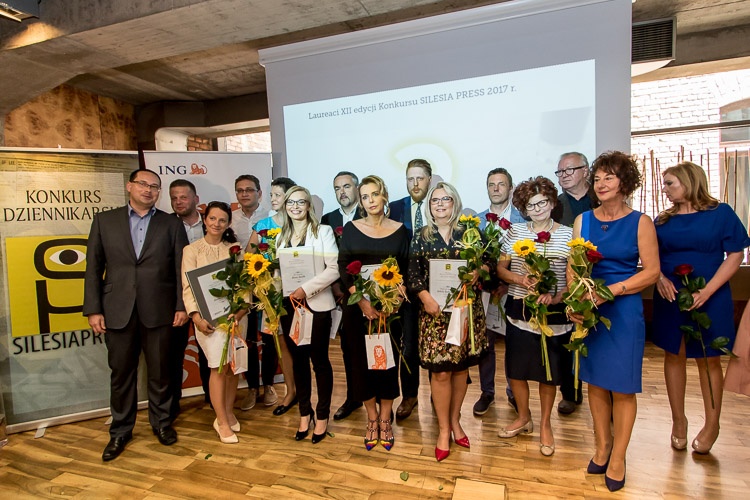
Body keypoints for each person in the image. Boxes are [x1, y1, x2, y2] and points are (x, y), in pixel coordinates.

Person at [83, 168, 189, 461]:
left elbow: (181, 269)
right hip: (117, 310)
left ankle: (162, 423)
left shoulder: (171, 224)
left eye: (155, 186)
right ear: (129, 186)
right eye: (143, 184)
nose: (149, 190)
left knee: (161, 372)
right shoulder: (105, 221)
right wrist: (93, 309)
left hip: (160, 310)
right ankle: (120, 431)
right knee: (121, 374)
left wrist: (181, 305)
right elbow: (93, 267)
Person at [570, 151, 659, 492]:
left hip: (623, 311)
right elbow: (575, 268)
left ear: (625, 183)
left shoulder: (641, 222)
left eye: (609, 177)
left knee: (622, 386)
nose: (601, 183)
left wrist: (612, 291)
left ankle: (619, 457)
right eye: (597, 178)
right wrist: (576, 302)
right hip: (590, 309)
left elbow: (651, 272)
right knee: (595, 383)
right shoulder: (583, 220)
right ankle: (603, 446)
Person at [652, 161, 750, 454]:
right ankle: (678, 421)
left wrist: (708, 290)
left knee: (709, 359)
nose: (665, 189)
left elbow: (736, 254)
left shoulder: (721, 213)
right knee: (674, 354)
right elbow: (649, 255)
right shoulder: (662, 220)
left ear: (689, 181)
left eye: (670, 183)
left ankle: (712, 424)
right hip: (670, 295)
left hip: (712, 294)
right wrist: (659, 278)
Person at [408, 182, 488, 462]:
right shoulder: (421, 236)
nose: (440, 204)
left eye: (446, 199)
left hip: (464, 311)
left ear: (455, 203)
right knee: (441, 373)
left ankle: (455, 421)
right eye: (435, 200)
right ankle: (443, 429)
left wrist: (478, 271)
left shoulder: (470, 232)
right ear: (429, 207)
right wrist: (425, 297)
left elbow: (489, 263)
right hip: (433, 314)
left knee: (460, 370)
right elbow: (413, 274)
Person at [495, 176, 573, 457]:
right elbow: (501, 269)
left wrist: (556, 297)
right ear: (523, 208)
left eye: (542, 203)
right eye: (531, 205)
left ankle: (545, 424)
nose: (537, 209)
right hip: (520, 308)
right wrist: (520, 279)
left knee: (547, 373)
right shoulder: (514, 232)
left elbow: (573, 278)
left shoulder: (568, 234)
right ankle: (523, 417)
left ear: (552, 203)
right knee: (517, 369)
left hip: (553, 311)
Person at [339, 175, 410, 450]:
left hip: (390, 312)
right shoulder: (351, 229)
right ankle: (371, 418)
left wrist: (396, 300)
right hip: (359, 311)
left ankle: (385, 418)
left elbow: (406, 269)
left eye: (374, 194)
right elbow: (344, 267)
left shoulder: (401, 231)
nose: (370, 201)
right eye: (365, 197)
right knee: (361, 364)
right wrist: (362, 303)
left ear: (384, 196)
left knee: (388, 364)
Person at [277, 186, 339, 443]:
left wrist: (306, 289)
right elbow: (280, 272)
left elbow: (333, 269)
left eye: (300, 202)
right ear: (285, 206)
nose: (295, 207)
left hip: (317, 305)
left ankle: (322, 415)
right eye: (291, 202)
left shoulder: (323, 232)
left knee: (320, 362)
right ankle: (305, 413)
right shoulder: (281, 237)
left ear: (308, 206)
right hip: (290, 307)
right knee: (299, 362)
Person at [181, 201, 246, 444]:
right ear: (205, 220)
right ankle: (221, 421)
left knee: (232, 368)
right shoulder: (192, 250)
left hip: (235, 318)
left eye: (222, 220)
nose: (216, 224)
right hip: (208, 322)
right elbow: (188, 287)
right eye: (212, 219)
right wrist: (196, 317)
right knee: (218, 367)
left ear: (228, 223)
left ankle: (228, 412)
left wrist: (240, 313)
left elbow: (244, 285)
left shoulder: (235, 250)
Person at [474, 167, 526, 417]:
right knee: (486, 344)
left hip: (514, 290)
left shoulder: (523, 220)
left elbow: (526, 258)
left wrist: (508, 283)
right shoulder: (476, 221)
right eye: (491, 184)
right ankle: (487, 392)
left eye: (501, 184)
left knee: (514, 344)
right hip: (485, 292)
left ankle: (514, 392)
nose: (496, 189)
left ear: (510, 188)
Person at [247, 176, 298, 415]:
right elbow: (249, 257)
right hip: (271, 294)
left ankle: (303, 388)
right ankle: (290, 390)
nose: (273, 199)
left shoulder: (301, 224)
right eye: (271, 195)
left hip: (298, 294)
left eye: (278, 195)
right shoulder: (262, 225)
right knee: (280, 343)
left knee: (299, 342)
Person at [387, 159, 431, 419]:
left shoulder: (439, 204)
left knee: (437, 343)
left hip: (434, 289)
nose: (415, 184)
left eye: (420, 178)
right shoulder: (394, 208)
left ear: (429, 179)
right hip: (403, 290)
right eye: (410, 179)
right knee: (408, 347)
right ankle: (410, 395)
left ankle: (439, 394)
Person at [229, 174, 277, 412]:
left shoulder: (271, 218)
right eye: (240, 190)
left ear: (259, 193)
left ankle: (269, 385)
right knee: (246, 338)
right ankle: (251, 388)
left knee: (269, 337)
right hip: (242, 287)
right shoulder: (229, 220)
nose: (244, 194)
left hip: (268, 285)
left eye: (249, 190)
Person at [321, 171, 365, 421]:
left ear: (357, 189)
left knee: (373, 346)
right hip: (340, 294)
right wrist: (336, 286)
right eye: (337, 188)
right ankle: (353, 397)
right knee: (348, 348)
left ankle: (378, 397)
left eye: (347, 186)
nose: (342, 192)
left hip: (369, 292)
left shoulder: (369, 214)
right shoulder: (328, 220)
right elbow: (326, 258)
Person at [168, 179, 211, 411]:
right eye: (174, 198)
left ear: (196, 199)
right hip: (178, 300)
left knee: (209, 351)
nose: (178, 202)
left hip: (211, 298)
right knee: (174, 353)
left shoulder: (211, 222)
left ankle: (212, 399)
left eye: (183, 197)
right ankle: (172, 404)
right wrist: (181, 304)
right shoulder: (165, 225)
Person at [555, 151, 591, 414]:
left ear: (585, 171)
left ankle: (609, 396)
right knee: (565, 341)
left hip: (600, 279)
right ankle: (571, 393)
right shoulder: (554, 205)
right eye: (560, 172)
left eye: (569, 170)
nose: (563, 176)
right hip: (564, 281)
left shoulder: (602, 199)